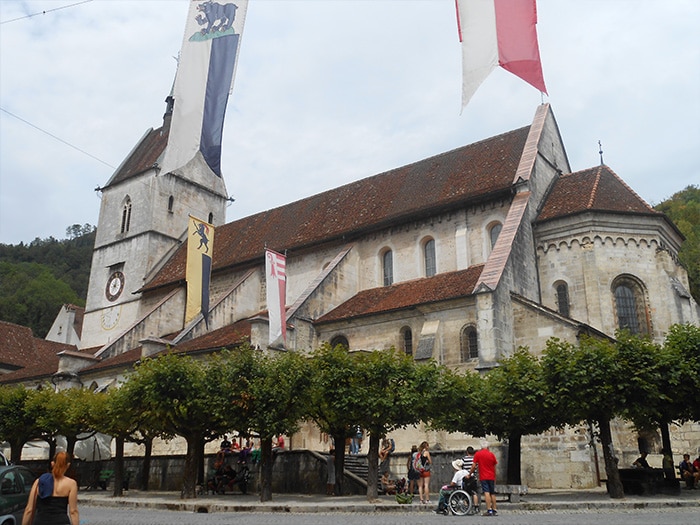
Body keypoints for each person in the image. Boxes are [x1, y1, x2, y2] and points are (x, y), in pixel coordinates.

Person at [22, 451, 79, 525]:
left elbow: (29, 509)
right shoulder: (71, 484)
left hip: (40, 521)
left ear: (52, 464)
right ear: (68, 465)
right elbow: (73, 511)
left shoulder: (39, 481)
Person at [470, 440, 498, 516]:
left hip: (484, 476)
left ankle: (489, 509)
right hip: (491, 476)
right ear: (488, 447)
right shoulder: (491, 454)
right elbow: (494, 466)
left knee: (486, 492)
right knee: (492, 493)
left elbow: (473, 466)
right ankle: (494, 509)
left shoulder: (478, 454)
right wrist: (495, 476)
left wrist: (470, 473)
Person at [461, 446, 480, 511]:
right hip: (473, 477)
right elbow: (476, 467)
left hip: (466, 477)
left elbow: (461, 466)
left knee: (465, 492)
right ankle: (476, 506)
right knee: (474, 492)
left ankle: (466, 506)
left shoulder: (464, 459)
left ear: (467, 452)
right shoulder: (475, 459)